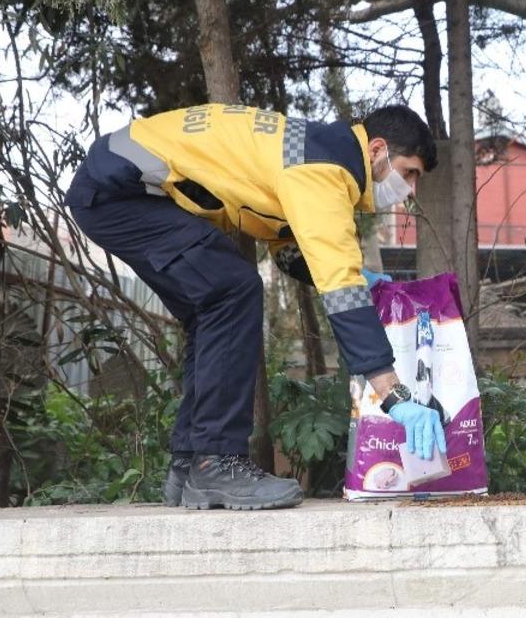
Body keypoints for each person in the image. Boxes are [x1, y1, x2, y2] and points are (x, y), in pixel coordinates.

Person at [64, 104, 446, 509]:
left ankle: (191, 461)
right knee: (234, 290)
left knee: (214, 307)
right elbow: (339, 285)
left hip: (119, 189)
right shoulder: (325, 170)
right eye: (409, 173)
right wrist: (395, 396)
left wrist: (360, 281)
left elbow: (289, 250)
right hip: (121, 190)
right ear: (377, 150)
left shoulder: (317, 155)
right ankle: (215, 462)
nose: (409, 188)